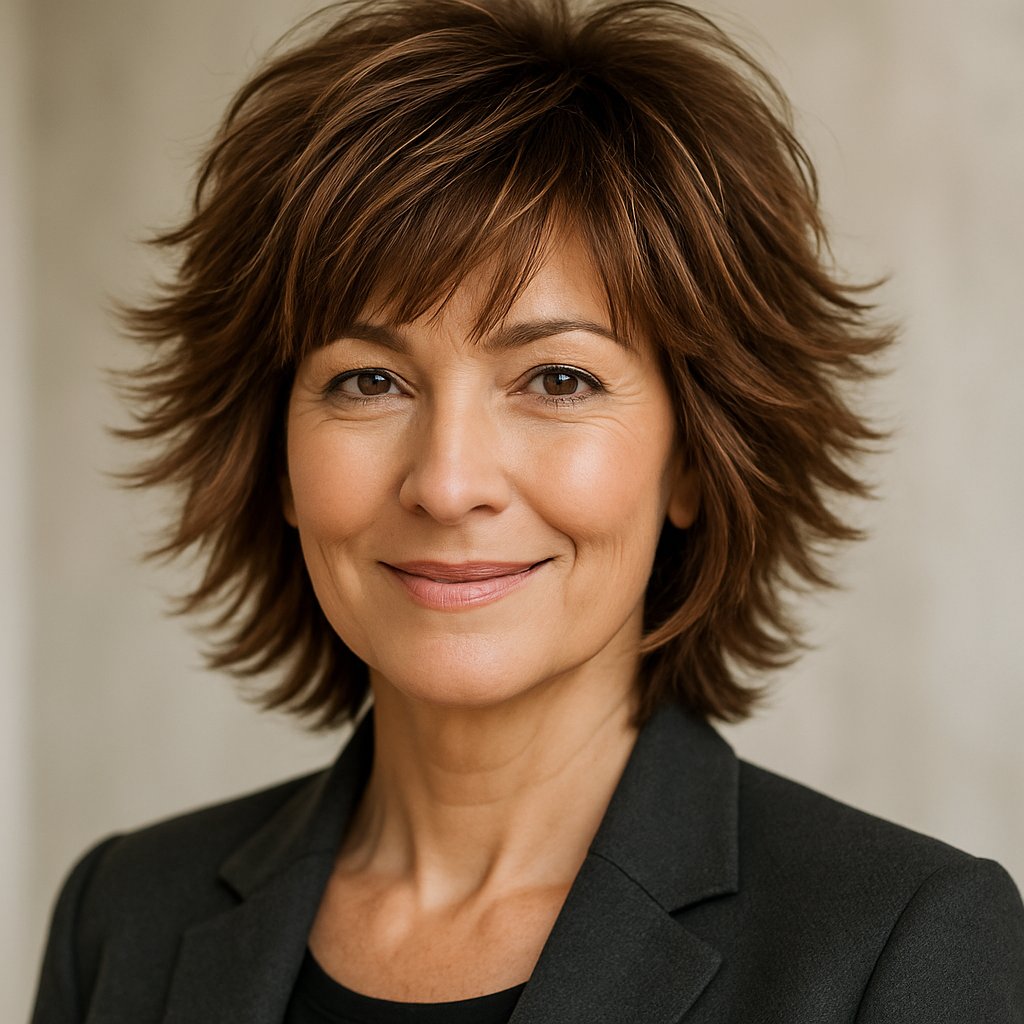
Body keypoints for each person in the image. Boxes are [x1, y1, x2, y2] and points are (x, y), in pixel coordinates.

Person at [30, 0, 1024, 1021]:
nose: (449, 480)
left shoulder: (896, 946)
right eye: (370, 381)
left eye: (555, 379)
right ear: (277, 457)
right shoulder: (120, 917)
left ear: (694, 459)